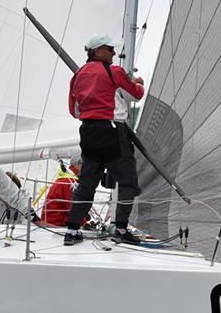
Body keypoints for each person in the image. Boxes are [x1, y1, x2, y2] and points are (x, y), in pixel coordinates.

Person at [64, 33, 145, 246]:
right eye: (110, 49)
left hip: (88, 133)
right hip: (111, 131)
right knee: (128, 180)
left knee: (87, 182)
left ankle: (71, 231)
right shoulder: (114, 71)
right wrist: (137, 82)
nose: (114, 53)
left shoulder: (78, 75)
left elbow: (74, 110)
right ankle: (120, 228)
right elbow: (137, 94)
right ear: (98, 51)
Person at [42, 156, 87, 228]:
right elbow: (73, 208)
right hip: (55, 225)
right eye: (85, 165)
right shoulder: (70, 183)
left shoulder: (65, 179)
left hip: (50, 221)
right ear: (77, 165)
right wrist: (85, 224)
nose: (87, 168)